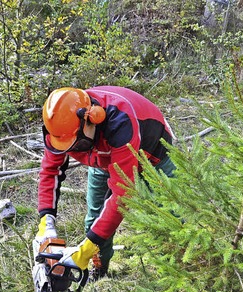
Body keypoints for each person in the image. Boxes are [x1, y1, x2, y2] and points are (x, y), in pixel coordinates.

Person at [34, 86, 176, 280]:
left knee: (173, 218)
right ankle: (100, 270)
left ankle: (177, 274)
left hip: (153, 157)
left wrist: (87, 246)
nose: (74, 149)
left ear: (93, 119)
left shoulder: (120, 122)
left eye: (78, 144)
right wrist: (46, 220)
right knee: (94, 220)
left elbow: (123, 192)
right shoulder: (61, 129)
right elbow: (50, 171)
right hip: (104, 158)